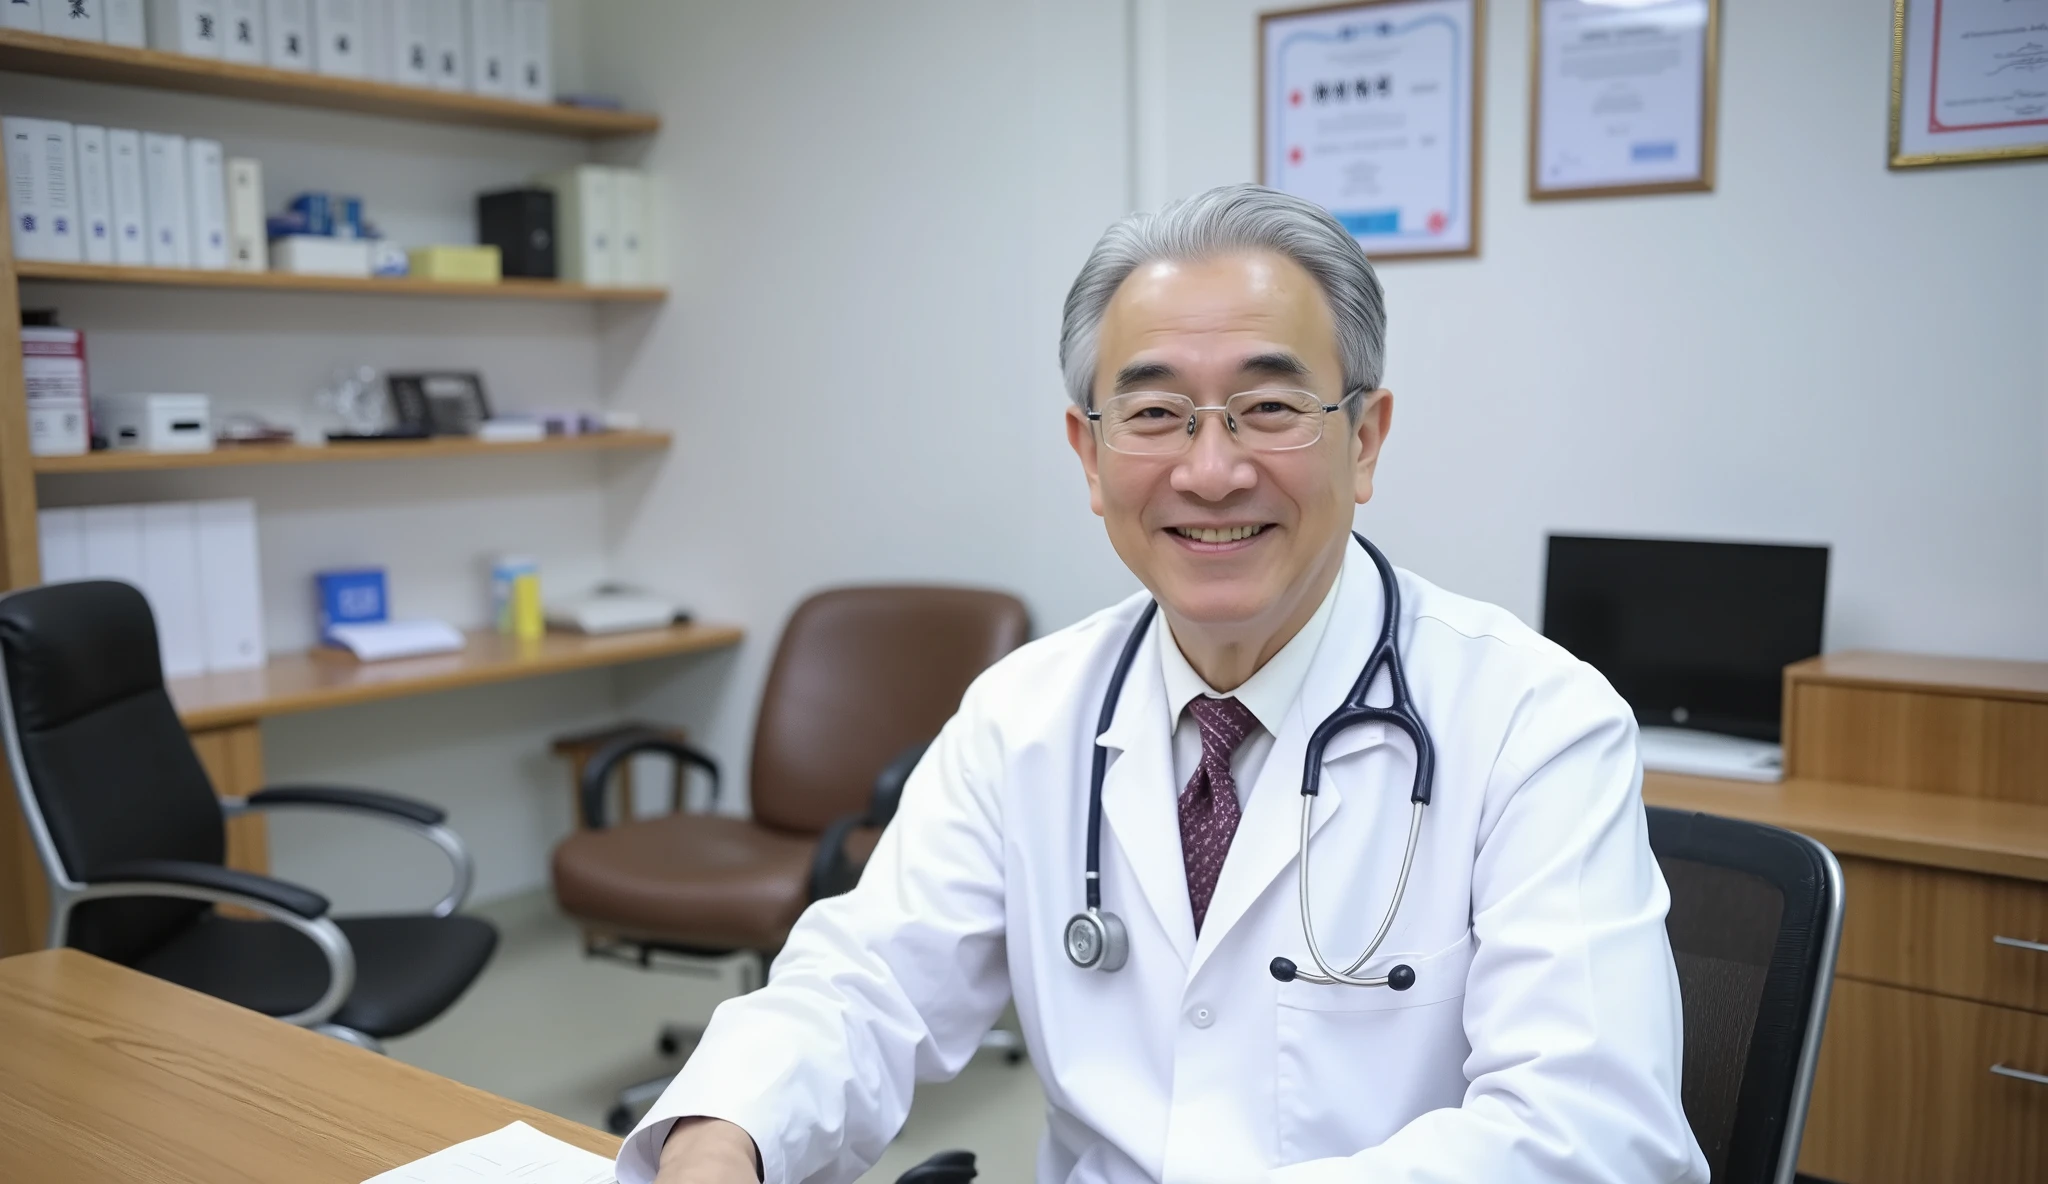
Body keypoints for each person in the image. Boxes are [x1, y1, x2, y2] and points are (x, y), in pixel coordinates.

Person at [619, 184, 1708, 1184]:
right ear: (1088, 458)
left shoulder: (1534, 722)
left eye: (1269, 408)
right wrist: (728, 1134)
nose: (1209, 468)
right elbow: (863, 984)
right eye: (1150, 414)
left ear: (1363, 440)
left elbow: (1589, 1133)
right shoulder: (1023, 712)